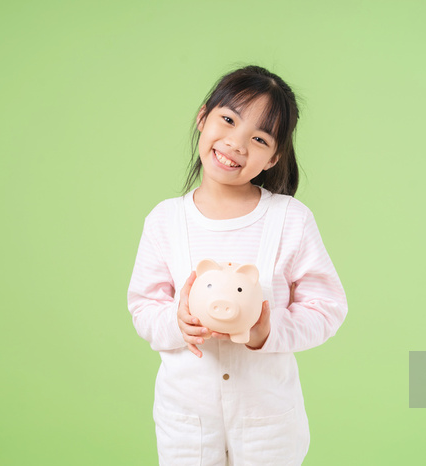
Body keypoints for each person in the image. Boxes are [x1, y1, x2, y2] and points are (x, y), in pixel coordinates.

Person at [127, 65, 348, 465]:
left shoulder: (290, 220)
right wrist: (177, 324)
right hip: (185, 424)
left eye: (259, 139)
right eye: (228, 120)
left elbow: (327, 307)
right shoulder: (165, 221)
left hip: (269, 425)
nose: (235, 144)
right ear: (202, 116)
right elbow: (144, 307)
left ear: (274, 156)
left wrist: (268, 331)